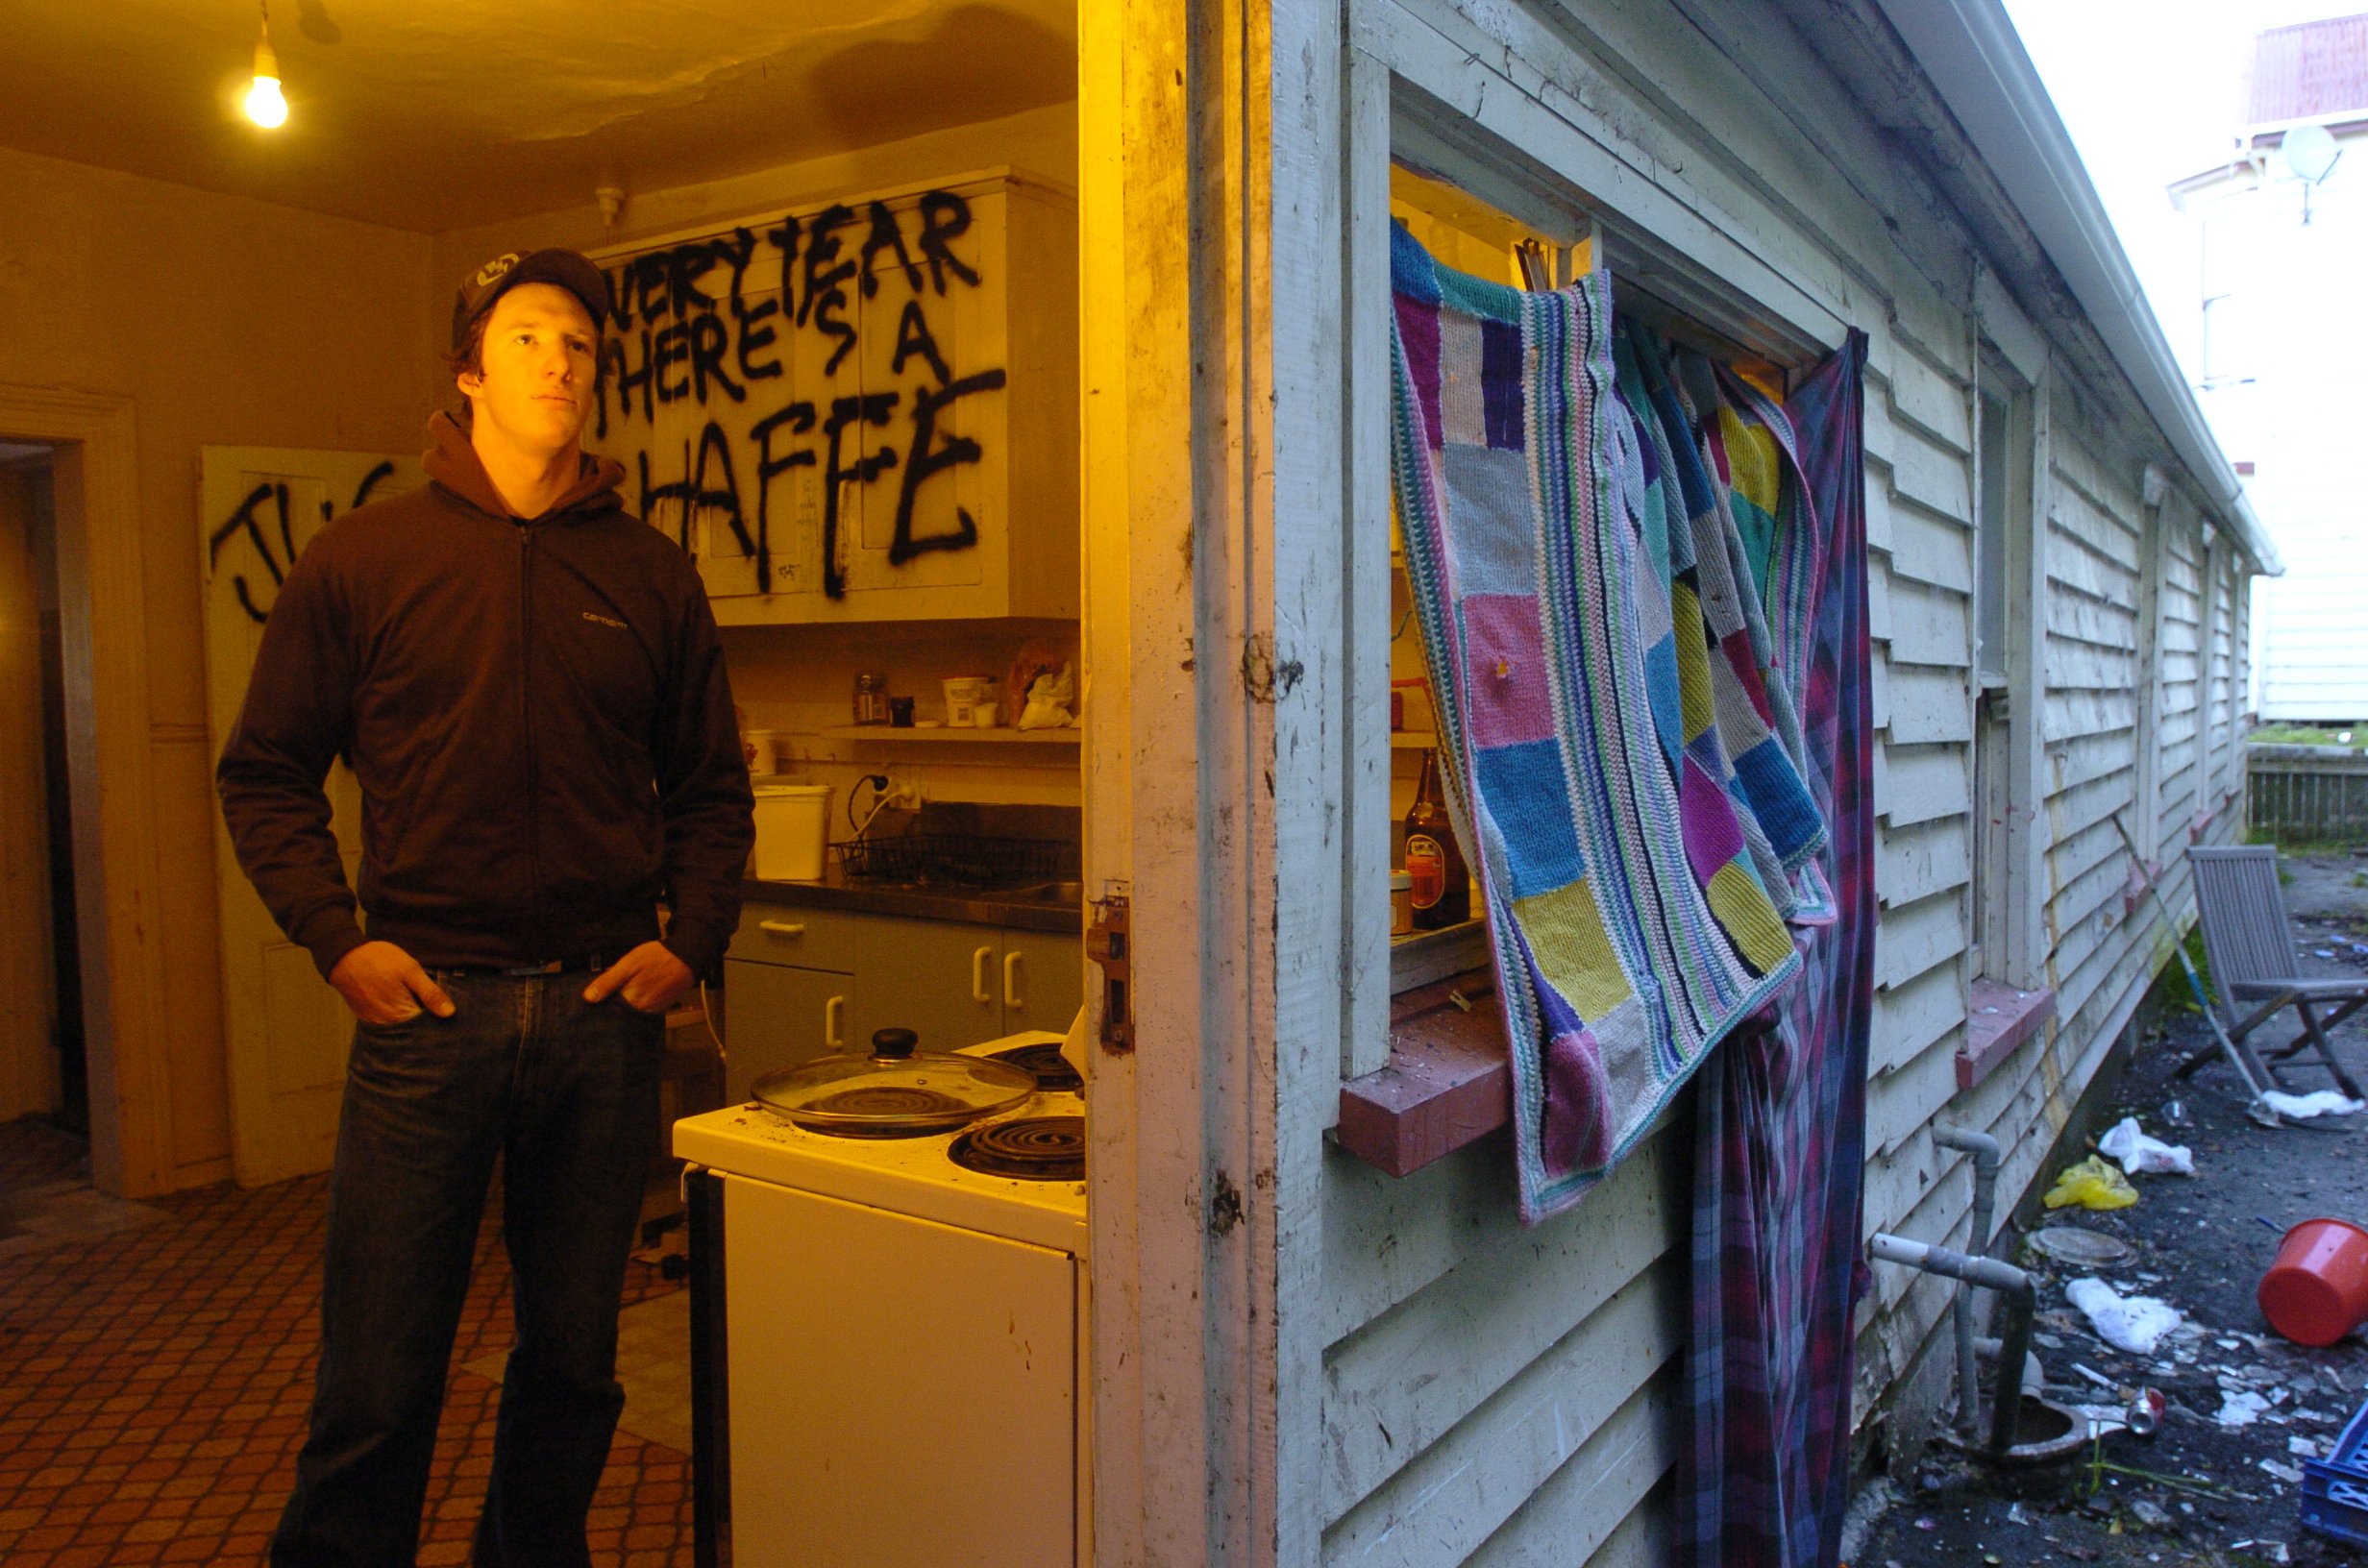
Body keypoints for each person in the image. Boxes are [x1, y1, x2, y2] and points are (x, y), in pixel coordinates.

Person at [216, 248, 754, 1567]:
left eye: (579, 342)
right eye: (528, 336)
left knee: (575, 1366)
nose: (561, 360)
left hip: (599, 1019)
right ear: (468, 373)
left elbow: (710, 793)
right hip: (428, 1021)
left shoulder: (650, 576)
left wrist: (690, 942)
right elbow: (265, 774)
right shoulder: (364, 561)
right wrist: (337, 941)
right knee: (379, 1381)